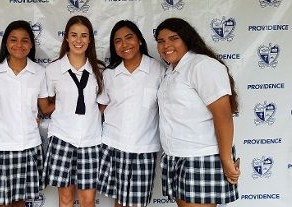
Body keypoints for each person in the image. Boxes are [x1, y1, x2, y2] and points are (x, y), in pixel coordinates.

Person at [154, 17, 240, 207]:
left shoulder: (201, 65)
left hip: (200, 156)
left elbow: (223, 115)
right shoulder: (171, 70)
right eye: (160, 41)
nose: (166, 45)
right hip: (177, 156)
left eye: (173, 38)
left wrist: (226, 160)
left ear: (186, 38)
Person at [96, 20, 165, 207]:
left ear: (140, 41)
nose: (124, 44)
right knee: (119, 201)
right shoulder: (110, 74)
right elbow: (101, 107)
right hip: (113, 145)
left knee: (137, 204)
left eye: (129, 38)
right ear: (114, 47)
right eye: (118, 41)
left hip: (144, 148)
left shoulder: (158, 70)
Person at [0, 20, 54, 207]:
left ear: (31, 44)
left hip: (28, 145)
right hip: (0, 145)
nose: (19, 45)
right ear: (6, 43)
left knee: (20, 202)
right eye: (13, 40)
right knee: (1, 203)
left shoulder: (39, 72)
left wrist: (73, 97)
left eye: (25, 40)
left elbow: (45, 108)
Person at [42, 15, 104, 207]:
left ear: (90, 39)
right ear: (66, 38)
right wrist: (62, 108)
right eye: (74, 35)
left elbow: (102, 105)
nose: (79, 40)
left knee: (87, 201)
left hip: (91, 140)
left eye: (84, 35)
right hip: (62, 139)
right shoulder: (53, 70)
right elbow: (45, 106)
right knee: (66, 198)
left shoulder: (99, 70)